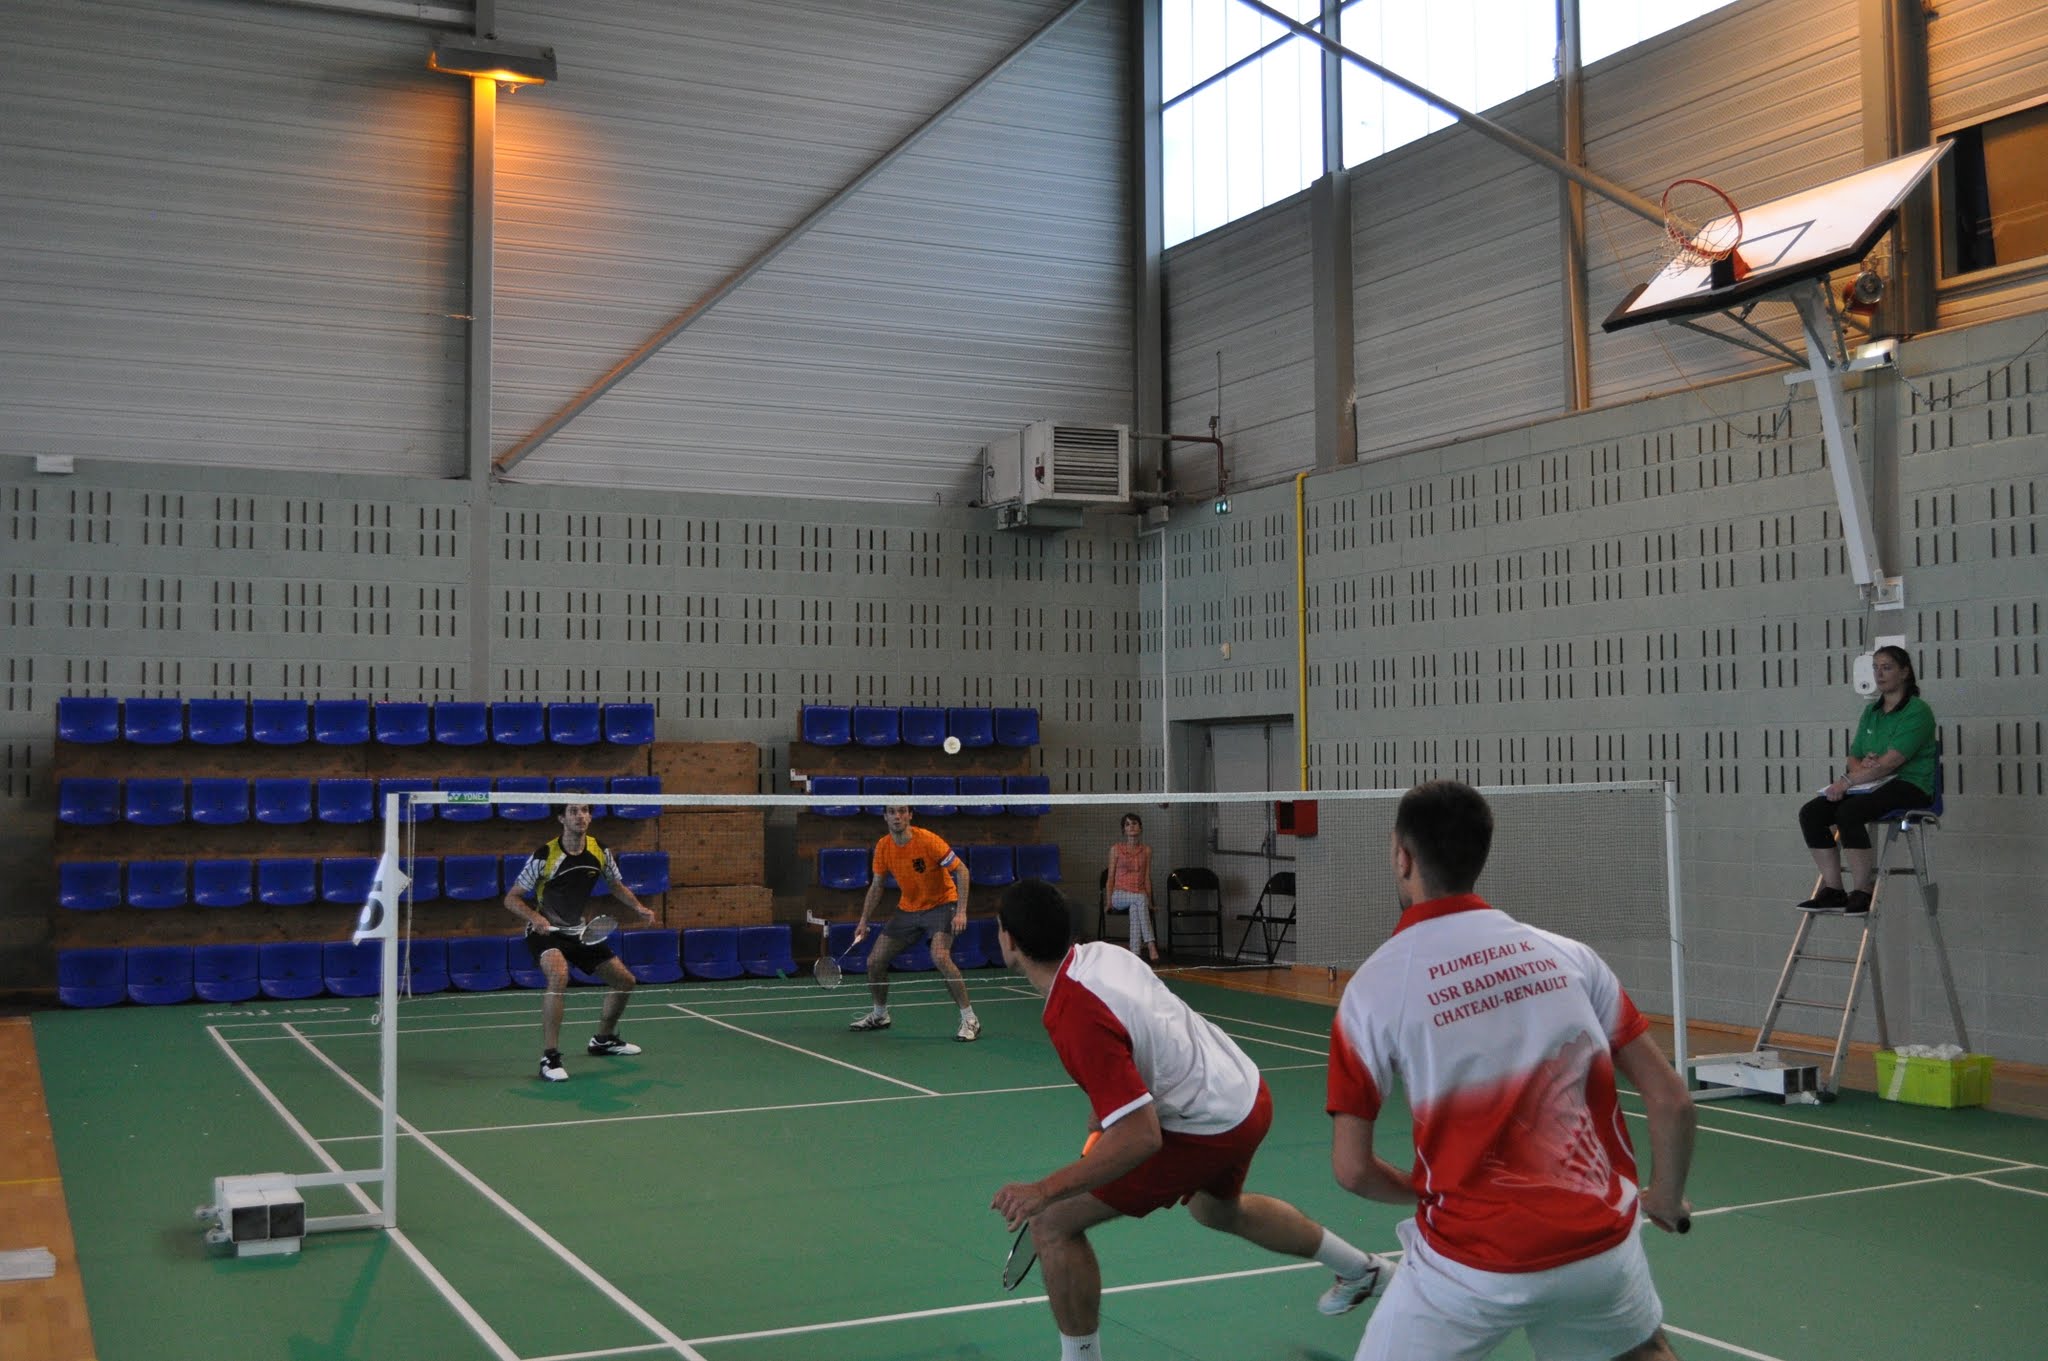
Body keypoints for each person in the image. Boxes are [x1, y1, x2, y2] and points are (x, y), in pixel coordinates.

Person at [1327, 780, 1696, 1361]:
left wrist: (1430, 1192)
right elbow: (1671, 1099)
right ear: (1481, 853)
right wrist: (1667, 1199)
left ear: (1401, 855)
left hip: (1470, 1269)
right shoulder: (1569, 956)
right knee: (1641, 1351)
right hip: (1599, 1250)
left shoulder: (1371, 992)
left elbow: (1352, 1170)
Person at [992, 878, 1394, 1361]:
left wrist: (1044, 1190)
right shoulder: (1101, 956)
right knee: (1217, 1210)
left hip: (1207, 1125)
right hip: (1244, 1091)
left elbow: (1142, 1137)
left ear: (1010, 940)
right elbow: (1139, 1043)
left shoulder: (1072, 1014)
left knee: (1052, 1222)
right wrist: (1104, 1115)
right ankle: (1363, 1269)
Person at [502, 802, 656, 1082]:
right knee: (558, 975)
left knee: (625, 981)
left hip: (579, 932)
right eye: (573, 811)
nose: (581, 816)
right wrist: (534, 917)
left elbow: (615, 884)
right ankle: (550, 1057)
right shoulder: (545, 855)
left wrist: (638, 907)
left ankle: (603, 1040)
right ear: (561, 818)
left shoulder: (600, 851)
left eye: (585, 810)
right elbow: (511, 898)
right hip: (545, 931)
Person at [1795, 644, 1937, 914]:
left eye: (1887, 668)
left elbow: (1892, 762)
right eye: (1876, 668)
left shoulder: (1918, 711)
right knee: (1812, 813)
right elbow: (1854, 757)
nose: (1879, 674)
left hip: (1909, 785)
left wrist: (1849, 781)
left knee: (1849, 811)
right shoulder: (1872, 712)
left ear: (1904, 672)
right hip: (1872, 783)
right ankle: (1834, 889)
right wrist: (1863, 767)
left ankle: (1863, 890)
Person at [849, 804, 981, 1041]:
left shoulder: (928, 840)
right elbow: (877, 886)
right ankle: (880, 1014)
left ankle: (970, 1019)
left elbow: (962, 871)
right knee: (875, 961)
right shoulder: (883, 846)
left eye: (902, 811)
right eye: (892, 812)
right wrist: (863, 920)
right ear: (885, 817)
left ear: (910, 815)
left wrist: (961, 911)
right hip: (908, 909)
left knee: (940, 956)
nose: (897, 816)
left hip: (942, 904)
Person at [1101, 812, 1160, 963]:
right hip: (1119, 895)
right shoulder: (1116, 849)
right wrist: (1108, 901)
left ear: (1140, 827)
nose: (1131, 826)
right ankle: (1151, 944)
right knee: (1140, 899)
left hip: (1139, 895)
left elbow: (1146, 878)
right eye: (1127, 824)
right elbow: (1110, 877)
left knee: (1136, 907)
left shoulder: (1146, 850)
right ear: (1124, 830)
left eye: (1134, 823)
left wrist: (1150, 903)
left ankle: (1135, 953)